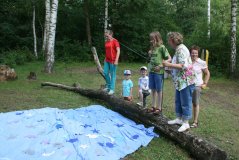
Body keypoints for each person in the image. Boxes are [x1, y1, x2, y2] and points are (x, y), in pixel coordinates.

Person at [163, 32, 195, 132]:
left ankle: (186, 123)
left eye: (169, 40)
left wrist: (167, 64)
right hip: (180, 81)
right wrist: (168, 68)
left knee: (185, 102)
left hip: (186, 81)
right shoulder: (178, 49)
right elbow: (177, 65)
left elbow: (182, 66)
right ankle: (179, 119)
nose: (168, 42)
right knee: (179, 100)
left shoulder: (181, 49)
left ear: (173, 40)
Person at [147, 31, 171, 115]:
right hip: (151, 72)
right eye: (150, 39)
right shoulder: (152, 48)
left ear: (157, 39)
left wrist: (161, 66)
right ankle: (153, 106)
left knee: (159, 90)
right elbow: (150, 61)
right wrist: (149, 55)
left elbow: (169, 59)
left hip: (158, 73)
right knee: (153, 89)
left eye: (152, 39)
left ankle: (159, 108)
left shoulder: (162, 47)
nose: (151, 41)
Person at [190, 45, 210, 128]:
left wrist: (205, 83)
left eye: (196, 53)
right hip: (187, 85)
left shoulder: (201, 62)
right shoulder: (187, 61)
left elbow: (207, 73)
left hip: (197, 86)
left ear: (197, 54)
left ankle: (195, 122)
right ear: (190, 53)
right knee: (186, 103)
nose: (194, 54)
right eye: (192, 53)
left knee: (195, 103)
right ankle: (185, 120)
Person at [103, 30, 120, 95]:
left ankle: (112, 89)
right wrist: (105, 58)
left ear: (111, 35)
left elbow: (118, 51)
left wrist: (116, 60)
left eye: (107, 36)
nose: (106, 37)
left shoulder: (115, 41)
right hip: (107, 60)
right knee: (105, 73)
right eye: (105, 36)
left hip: (113, 61)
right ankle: (108, 86)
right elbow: (107, 51)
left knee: (113, 75)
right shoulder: (106, 42)